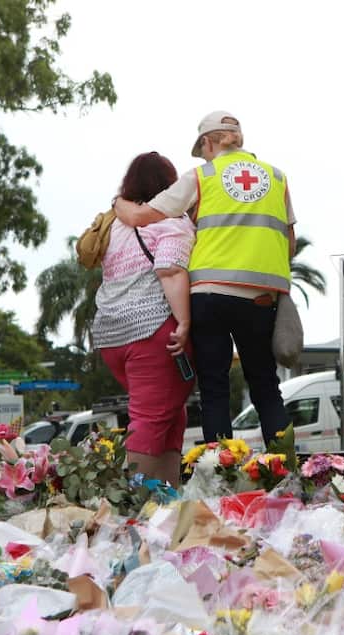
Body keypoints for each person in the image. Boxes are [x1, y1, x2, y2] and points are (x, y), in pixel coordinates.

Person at [114, 111, 295, 445]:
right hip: (260, 298)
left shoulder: (202, 176)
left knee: (214, 389)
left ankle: (220, 477)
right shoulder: (277, 178)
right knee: (266, 389)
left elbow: (139, 217)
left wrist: (118, 203)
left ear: (208, 142)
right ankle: (286, 476)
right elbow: (289, 242)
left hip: (209, 296)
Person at [92, 152, 196, 485]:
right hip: (152, 333)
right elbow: (170, 269)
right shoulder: (170, 220)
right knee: (151, 419)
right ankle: (129, 509)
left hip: (111, 338)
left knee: (170, 415)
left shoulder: (116, 227)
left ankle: (167, 500)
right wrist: (183, 322)